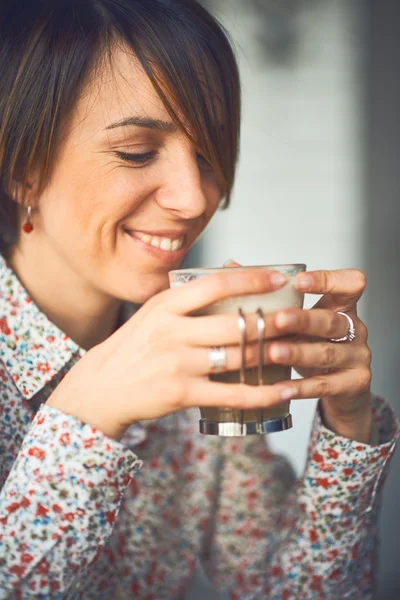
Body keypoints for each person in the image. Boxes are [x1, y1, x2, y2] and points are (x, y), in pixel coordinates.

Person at [0, 1, 398, 599]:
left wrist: (348, 427)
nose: (193, 199)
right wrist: (83, 423)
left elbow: (284, 591)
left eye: (209, 154)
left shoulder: (200, 350)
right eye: (137, 151)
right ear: (22, 168)